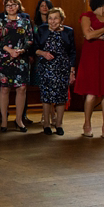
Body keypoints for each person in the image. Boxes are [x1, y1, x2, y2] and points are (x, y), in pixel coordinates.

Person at [74, 0, 104, 139]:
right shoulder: (87, 16)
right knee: (91, 94)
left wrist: (101, 35)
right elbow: (88, 35)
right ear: (102, 2)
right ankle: (87, 124)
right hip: (91, 58)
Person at [0, 0, 33, 132]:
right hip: (5, 58)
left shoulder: (25, 21)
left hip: (21, 58)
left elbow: (30, 39)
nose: (11, 8)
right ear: (5, 7)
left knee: (21, 88)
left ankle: (19, 120)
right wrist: (9, 50)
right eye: (8, 5)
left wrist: (21, 50)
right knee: (5, 88)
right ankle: (4, 120)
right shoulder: (0, 21)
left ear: (18, 6)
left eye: (13, 5)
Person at [34, 7, 75, 135]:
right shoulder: (42, 30)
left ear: (61, 19)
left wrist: (72, 71)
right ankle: (46, 124)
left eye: (56, 18)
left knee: (61, 97)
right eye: (50, 18)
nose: (52, 21)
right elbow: (34, 48)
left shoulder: (68, 31)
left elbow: (72, 52)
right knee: (46, 96)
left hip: (62, 67)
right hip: (46, 66)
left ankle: (59, 125)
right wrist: (43, 53)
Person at [32, 0, 55, 125]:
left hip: (52, 57)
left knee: (51, 86)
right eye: (42, 5)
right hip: (39, 57)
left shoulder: (55, 22)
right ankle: (47, 114)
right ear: (39, 8)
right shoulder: (34, 24)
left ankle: (51, 114)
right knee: (43, 86)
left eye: (47, 5)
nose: (44, 7)